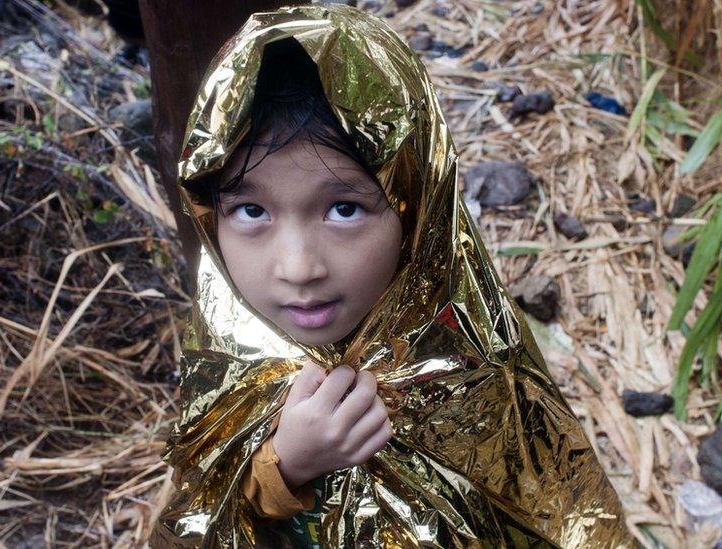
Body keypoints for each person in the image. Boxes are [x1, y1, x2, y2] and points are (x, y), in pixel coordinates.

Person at [151, 5, 634, 547]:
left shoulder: (475, 366)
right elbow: (198, 513)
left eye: (344, 210)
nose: (298, 268)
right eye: (252, 212)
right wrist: (281, 468)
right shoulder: (231, 355)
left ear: (417, 213)